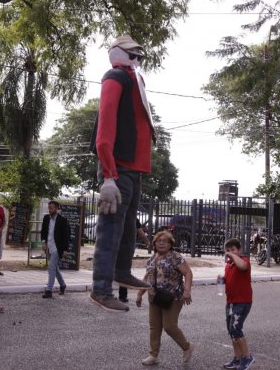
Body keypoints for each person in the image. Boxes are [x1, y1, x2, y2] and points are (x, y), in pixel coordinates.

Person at [89, 35, 155, 312]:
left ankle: (121, 271)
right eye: (133, 54)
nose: (137, 59)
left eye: (139, 55)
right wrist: (108, 174)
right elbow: (105, 124)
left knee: (128, 228)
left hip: (134, 169)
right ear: (120, 54)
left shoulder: (132, 79)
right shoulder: (115, 76)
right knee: (110, 230)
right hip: (119, 168)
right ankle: (101, 289)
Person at [135, 230, 193, 366]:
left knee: (169, 326)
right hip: (154, 297)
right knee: (154, 327)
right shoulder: (152, 258)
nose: (161, 243)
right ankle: (153, 355)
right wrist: (139, 294)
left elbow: (188, 273)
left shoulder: (176, 257)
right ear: (154, 243)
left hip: (173, 297)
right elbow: (147, 277)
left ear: (170, 244)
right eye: (158, 241)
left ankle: (187, 347)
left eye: (165, 241)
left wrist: (187, 290)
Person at [220, 238, 255, 370]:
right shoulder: (229, 265)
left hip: (242, 301)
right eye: (228, 251)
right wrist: (222, 280)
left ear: (239, 250)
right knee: (231, 330)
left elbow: (242, 267)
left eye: (233, 250)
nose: (230, 253)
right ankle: (238, 357)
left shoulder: (244, 261)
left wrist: (233, 256)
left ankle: (247, 357)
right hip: (231, 302)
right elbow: (230, 279)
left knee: (236, 329)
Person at [40, 200, 70, 298]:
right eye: (49, 208)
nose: (50, 210)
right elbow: (43, 231)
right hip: (48, 246)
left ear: (56, 208)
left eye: (51, 208)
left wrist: (65, 249)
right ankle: (62, 285)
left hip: (58, 247)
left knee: (51, 267)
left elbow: (67, 236)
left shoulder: (63, 220)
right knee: (55, 268)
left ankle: (49, 290)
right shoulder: (46, 218)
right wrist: (43, 242)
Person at [118, 218, 151, 303]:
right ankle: (122, 296)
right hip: (126, 247)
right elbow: (142, 234)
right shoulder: (133, 218)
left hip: (113, 245)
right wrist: (148, 243)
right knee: (124, 271)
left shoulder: (117, 215)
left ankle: (106, 294)